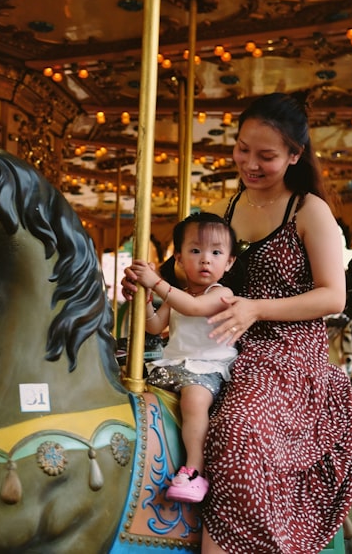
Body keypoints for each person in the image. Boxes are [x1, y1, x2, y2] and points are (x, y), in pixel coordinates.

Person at [124, 92, 352, 553]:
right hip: (220, 340)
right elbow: (197, 274)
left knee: (238, 427)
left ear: (295, 155)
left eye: (266, 155)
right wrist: (148, 284)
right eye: (242, 149)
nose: (250, 163)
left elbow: (333, 294)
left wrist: (256, 308)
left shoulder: (309, 210)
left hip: (288, 351)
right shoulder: (232, 207)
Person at [127, 212, 238, 503]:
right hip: (173, 365)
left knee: (194, 400)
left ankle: (194, 471)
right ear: (179, 258)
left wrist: (156, 283)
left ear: (229, 263)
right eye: (195, 251)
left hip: (208, 369)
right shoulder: (180, 294)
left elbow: (192, 308)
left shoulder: (220, 293)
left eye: (216, 252)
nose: (205, 259)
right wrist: (147, 302)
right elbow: (154, 326)